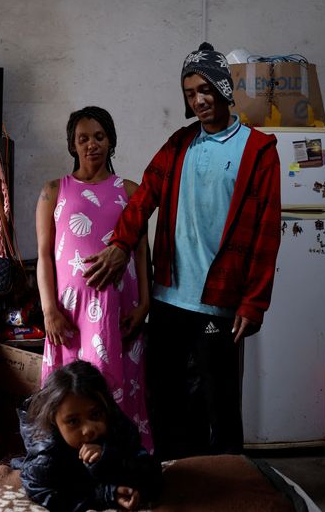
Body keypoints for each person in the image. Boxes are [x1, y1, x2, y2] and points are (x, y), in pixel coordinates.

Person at [83, 43, 282, 460]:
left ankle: (229, 488)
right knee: (168, 400)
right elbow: (144, 199)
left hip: (220, 302)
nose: (200, 99)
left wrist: (254, 302)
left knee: (219, 405)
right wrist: (121, 243)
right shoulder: (179, 144)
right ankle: (175, 482)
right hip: (169, 297)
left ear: (224, 88)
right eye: (190, 92)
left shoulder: (258, 151)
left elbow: (267, 234)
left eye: (206, 89)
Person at [35, 106, 152, 451]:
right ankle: (65, 467)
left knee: (117, 389)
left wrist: (145, 304)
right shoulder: (53, 190)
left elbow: (143, 253)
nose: (92, 145)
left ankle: (122, 464)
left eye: (99, 137)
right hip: (70, 317)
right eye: (83, 138)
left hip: (120, 311)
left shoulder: (129, 190)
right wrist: (48, 310)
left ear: (111, 141)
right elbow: (43, 255)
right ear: (72, 145)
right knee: (68, 393)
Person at [15, 360, 162, 512]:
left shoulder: (114, 421)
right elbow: (43, 490)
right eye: (73, 421)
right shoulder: (46, 454)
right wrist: (105, 494)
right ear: (54, 419)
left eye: (95, 414)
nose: (88, 430)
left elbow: (151, 474)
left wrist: (108, 457)